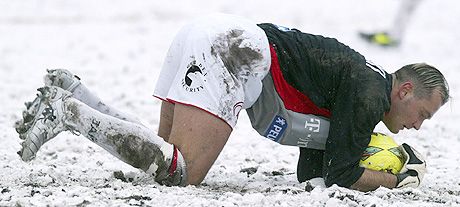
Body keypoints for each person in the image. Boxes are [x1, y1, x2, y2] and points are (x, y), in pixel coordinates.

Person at [15, 14, 449, 192]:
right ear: (405, 90)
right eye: (422, 115)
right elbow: (340, 173)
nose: (417, 126)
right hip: (235, 51)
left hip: (211, 33)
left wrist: (360, 150)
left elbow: (313, 170)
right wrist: (399, 179)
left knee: (161, 151)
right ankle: (69, 113)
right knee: (180, 173)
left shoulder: (363, 81)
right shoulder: (371, 94)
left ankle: (76, 94)